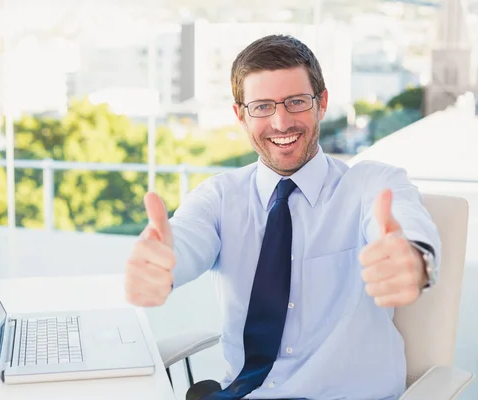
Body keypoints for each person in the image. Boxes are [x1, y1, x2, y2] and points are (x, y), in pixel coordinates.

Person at [124, 34, 440, 400]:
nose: (280, 121)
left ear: (321, 103)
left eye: (296, 102)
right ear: (240, 115)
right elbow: (184, 240)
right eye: (261, 107)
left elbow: (409, 227)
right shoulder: (219, 197)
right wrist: (160, 265)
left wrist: (415, 261)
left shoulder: (373, 184)